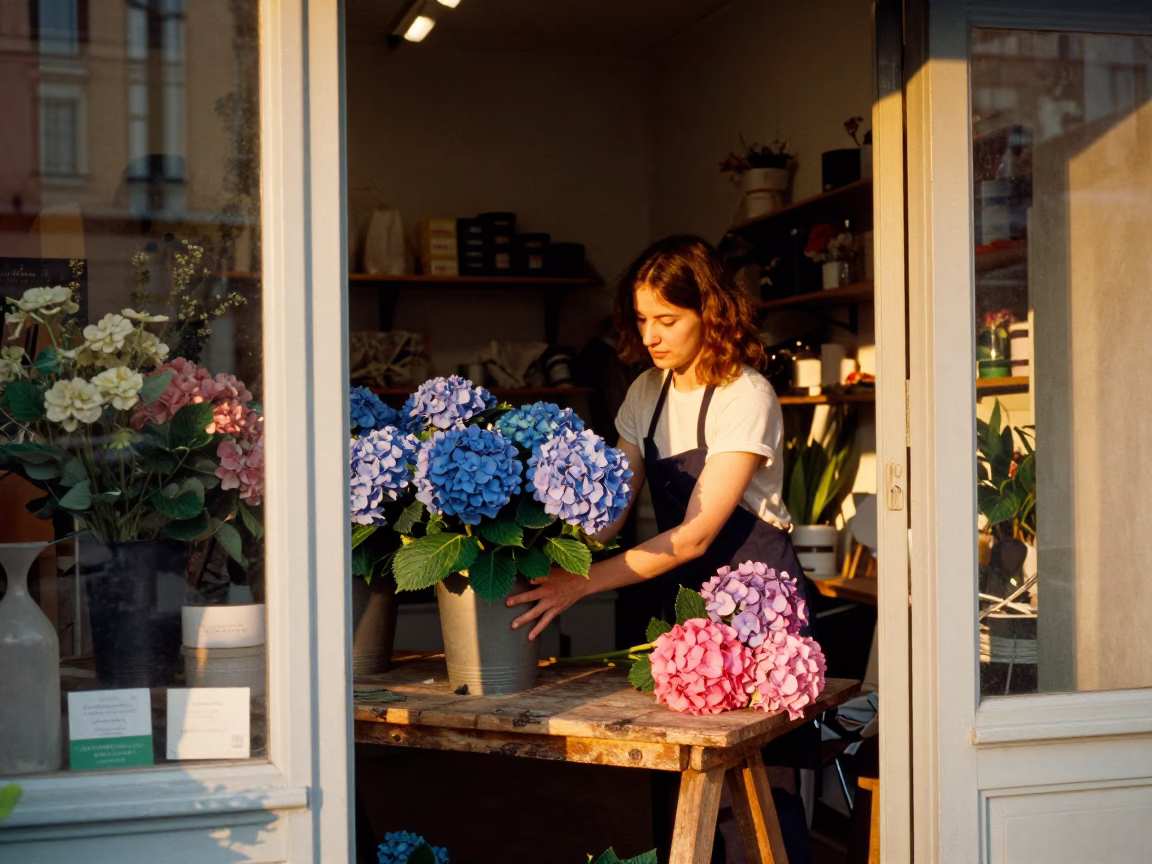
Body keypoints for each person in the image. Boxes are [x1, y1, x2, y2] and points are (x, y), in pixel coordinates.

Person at [507, 233, 811, 638]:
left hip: (761, 611)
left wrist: (581, 582)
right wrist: (525, 545)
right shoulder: (647, 391)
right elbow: (609, 513)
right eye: (641, 318)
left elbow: (694, 537)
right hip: (689, 604)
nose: (650, 336)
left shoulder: (744, 396)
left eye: (667, 321)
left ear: (710, 313)